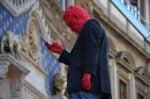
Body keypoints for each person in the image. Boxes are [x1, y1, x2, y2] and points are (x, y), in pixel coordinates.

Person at [45, 5, 111, 99]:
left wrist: (87, 74)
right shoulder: (88, 31)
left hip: (86, 88)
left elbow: (92, 51)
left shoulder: (91, 25)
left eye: (71, 25)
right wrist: (61, 51)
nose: (72, 29)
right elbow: (79, 60)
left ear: (77, 17)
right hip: (86, 89)